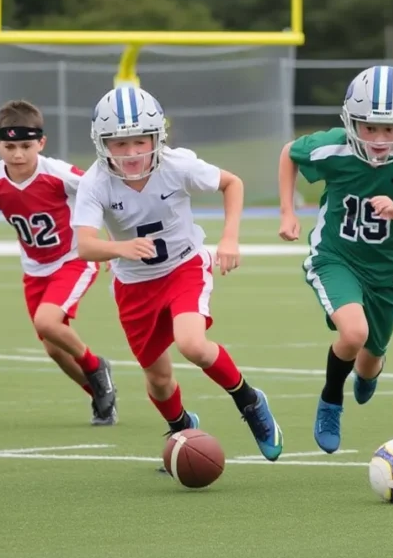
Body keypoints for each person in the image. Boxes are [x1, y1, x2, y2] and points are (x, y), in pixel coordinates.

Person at [72, 85, 284, 462]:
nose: (132, 152)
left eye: (140, 141)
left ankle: (249, 401)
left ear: (158, 137)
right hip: (133, 284)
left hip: (183, 266)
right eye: (120, 143)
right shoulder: (95, 182)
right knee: (158, 378)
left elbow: (231, 183)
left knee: (192, 344)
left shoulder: (177, 165)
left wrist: (229, 238)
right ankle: (182, 428)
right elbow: (85, 245)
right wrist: (121, 248)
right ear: (102, 144)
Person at [278, 65, 393, 454]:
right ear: (351, 121)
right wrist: (287, 211)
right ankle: (330, 401)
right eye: (369, 127)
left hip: (386, 273)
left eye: (389, 129)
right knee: (353, 333)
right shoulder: (335, 147)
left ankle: (368, 372)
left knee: (370, 359)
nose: (378, 139)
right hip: (335, 256)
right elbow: (290, 153)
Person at [0, 99, 117, 425]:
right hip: (35, 269)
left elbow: (103, 198)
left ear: (41, 143)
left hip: (73, 258)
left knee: (47, 323)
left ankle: (96, 367)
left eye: (26, 146)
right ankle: (99, 396)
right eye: (9, 147)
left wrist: (108, 244)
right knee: (54, 348)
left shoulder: (59, 174)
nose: (18, 154)